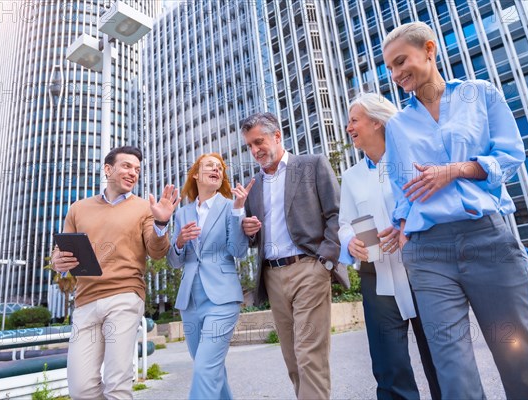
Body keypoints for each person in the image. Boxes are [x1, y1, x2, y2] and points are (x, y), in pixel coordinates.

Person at [382, 21, 528, 399]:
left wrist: (456, 170)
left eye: (400, 61)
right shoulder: (397, 125)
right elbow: (401, 189)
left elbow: (509, 156)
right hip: (428, 254)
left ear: (429, 49)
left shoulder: (480, 94)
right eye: (389, 68)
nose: (395, 74)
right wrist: (401, 225)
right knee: (452, 368)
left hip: (488, 240)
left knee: (518, 357)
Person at [51, 146, 178, 400]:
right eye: (127, 166)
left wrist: (161, 223)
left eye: (137, 169)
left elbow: (156, 251)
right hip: (85, 300)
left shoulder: (144, 208)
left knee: (116, 383)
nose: (133, 173)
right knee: (80, 387)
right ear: (108, 169)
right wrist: (58, 261)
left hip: (125, 295)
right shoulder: (78, 208)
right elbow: (60, 252)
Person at [339, 92, 440, 399]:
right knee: (388, 364)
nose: (348, 127)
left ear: (377, 122)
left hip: (423, 269)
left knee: (441, 356)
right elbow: (344, 223)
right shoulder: (351, 176)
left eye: (354, 120)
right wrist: (349, 242)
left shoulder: (412, 160)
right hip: (377, 277)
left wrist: (405, 228)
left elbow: (432, 204)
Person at [241, 112, 340, 399]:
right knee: (293, 360)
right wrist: (248, 230)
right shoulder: (254, 185)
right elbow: (254, 237)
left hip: (309, 268)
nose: (255, 150)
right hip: (272, 275)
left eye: (259, 141)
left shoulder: (311, 165)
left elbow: (336, 213)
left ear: (277, 136)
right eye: (249, 145)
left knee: (309, 353)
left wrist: (325, 262)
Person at [166, 153, 252, 399]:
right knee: (210, 368)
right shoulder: (183, 213)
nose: (217, 169)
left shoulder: (230, 206)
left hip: (222, 298)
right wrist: (180, 242)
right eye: (209, 166)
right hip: (190, 301)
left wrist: (238, 212)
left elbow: (238, 251)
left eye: (220, 168)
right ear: (195, 174)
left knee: (205, 367)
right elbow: (174, 261)